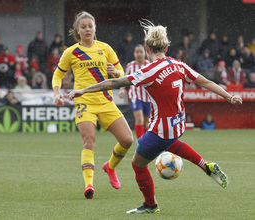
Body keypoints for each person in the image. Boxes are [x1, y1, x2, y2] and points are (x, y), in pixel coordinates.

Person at [68, 20, 242, 214]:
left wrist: (83, 90)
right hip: (179, 123)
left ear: (146, 48)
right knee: (169, 143)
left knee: (138, 164)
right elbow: (206, 81)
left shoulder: (148, 71)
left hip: (161, 129)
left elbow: (114, 83)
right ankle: (206, 166)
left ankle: (150, 205)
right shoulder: (178, 64)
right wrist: (229, 96)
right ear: (166, 48)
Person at [52, 11, 133, 199]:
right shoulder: (71, 52)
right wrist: (57, 95)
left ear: (95, 29)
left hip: (106, 101)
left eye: (90, 26)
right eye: (84, 26)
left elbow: (122, 73)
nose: (87, 29)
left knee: (128, 140)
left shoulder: (105, 48)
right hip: (84, 101)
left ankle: (110, 167)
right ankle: (89, 185)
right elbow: (57, 75)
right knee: (89, 141)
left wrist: (116, 72)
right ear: (77, 30)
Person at [119, 44, 150, 139]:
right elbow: (125, 79)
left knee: (146, 122)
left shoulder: (149, 65)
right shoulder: (130, 66)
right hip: (135, 95)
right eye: (137, 52)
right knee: (139, 119)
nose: (139, 54)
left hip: (147, 97)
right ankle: (140, 143)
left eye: (141, 52)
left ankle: (146, 143)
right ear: (134, 54)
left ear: (145, 53)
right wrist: (121, 89)